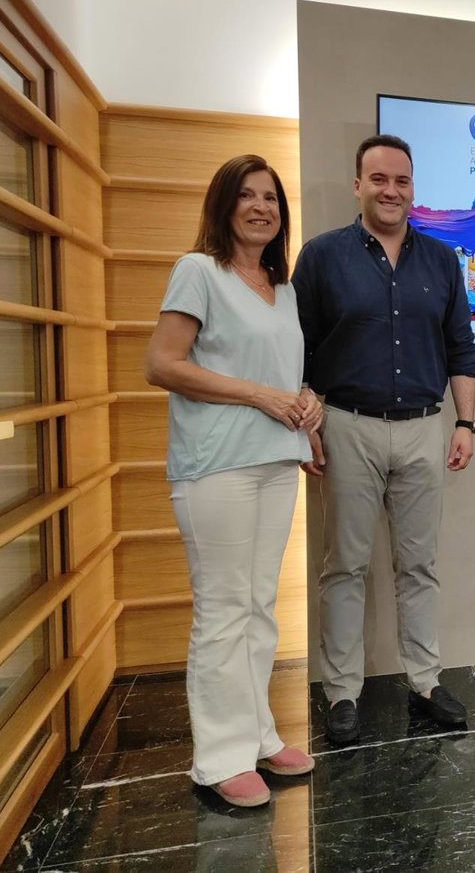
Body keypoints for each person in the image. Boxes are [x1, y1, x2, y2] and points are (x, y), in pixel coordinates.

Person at [144, 155, 320, 807]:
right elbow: (161, 364)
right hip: (216, 466)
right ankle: (218, 759)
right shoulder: (199, 271)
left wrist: (307, 400)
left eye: (270, 197)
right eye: (246, 195)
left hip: (275, 461)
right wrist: (258, 395)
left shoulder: (284, 289)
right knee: (223, 611)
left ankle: (258, 735)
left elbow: (283, 374)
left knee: (258, 608)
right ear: (224, 205)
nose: (260, 207)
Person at [294, 135, 475, 744]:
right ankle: (342, 692)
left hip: (425, 427)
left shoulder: (442, 260)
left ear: (412, 188)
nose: (390, 190)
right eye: (378, 179)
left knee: (419, 565)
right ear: (358, 185)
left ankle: (425, 681)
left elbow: (460, 346)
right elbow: (297, 348)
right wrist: (307, 427)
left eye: (401, 180)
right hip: (346, 425)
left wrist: (465, 422)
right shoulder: (322, 257)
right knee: (344, 566)